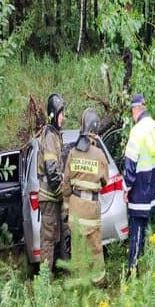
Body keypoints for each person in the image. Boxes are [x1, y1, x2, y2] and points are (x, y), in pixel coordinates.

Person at [62, 108, 109, 287]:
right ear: (95, 129)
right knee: (96, 249)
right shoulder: (99, 155)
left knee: (78, 251)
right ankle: (99, 284)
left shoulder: (73, 153)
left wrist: (66, 207)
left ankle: (81, 287)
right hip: (91, 210)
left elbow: (66, 184)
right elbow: (105, 181)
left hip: (75, 210)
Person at [123, 93, 155, 274]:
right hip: (150, 188)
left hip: (138, 189)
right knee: (146, 229)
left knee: (136, 231)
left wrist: (126, 188)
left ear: (136, 109)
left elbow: (130, 163)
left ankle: (133, 271)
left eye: (132, 109)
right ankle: (145, 264)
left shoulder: (137, 131)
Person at [35, 93, 68, 276]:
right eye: (61, 113)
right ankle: (44, 285)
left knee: (59, 236)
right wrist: (62, 193)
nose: (63, 117)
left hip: (53, 198)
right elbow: (51, 170)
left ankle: (61, 274)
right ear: (54, 114)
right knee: (48, 240)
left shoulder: (55, 135)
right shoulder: (49, 135)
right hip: (49, 197)